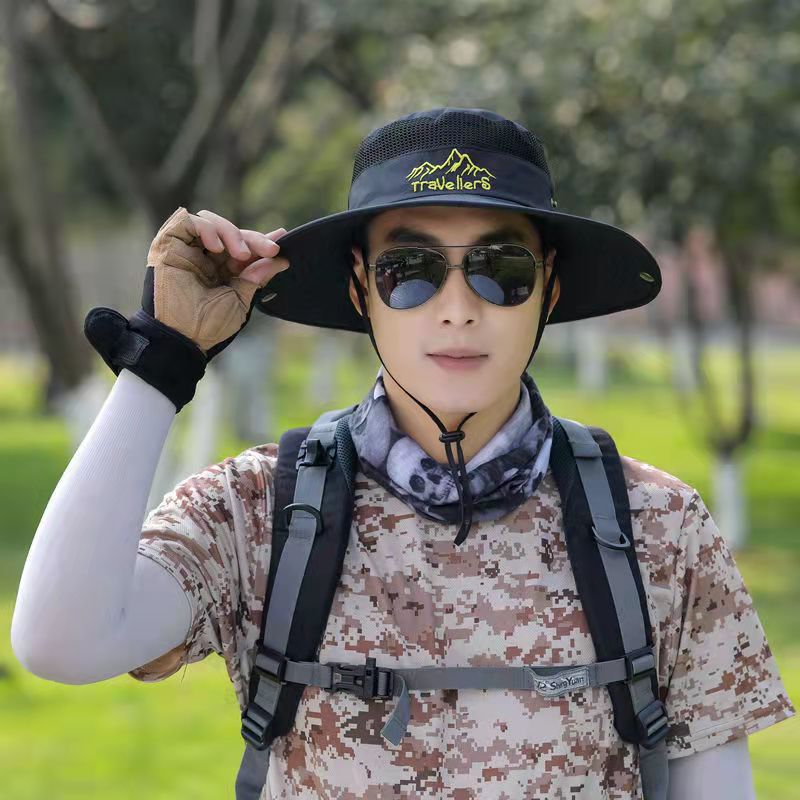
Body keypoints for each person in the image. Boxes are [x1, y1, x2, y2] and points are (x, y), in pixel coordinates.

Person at [11, 107, 795, 799]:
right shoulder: (262, 511)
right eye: (409, 270)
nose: (457, 310)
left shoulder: (659, 527)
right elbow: (59, 640)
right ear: (361, 290)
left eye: (501, 271)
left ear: (549, 290)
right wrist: (161, 366)